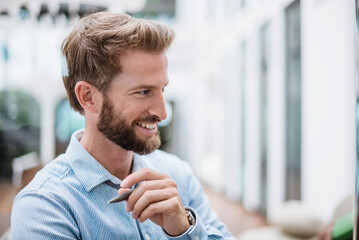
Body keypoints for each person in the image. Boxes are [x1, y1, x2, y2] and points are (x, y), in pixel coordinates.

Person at [11, 12, 235, 240]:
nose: (162, 112)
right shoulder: (45, 206)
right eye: (143, 92)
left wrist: (184, 229)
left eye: (162, 89)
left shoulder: (178, 175)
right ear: (88, 97)